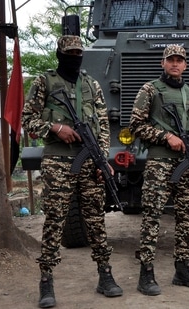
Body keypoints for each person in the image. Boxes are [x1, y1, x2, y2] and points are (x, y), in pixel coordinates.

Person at [22, 35, 122, 308]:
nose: (74, 56)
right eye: (69, 52)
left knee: (96, 221)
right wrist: (56, 128)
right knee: (55, 221)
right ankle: (46, 281)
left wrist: (103, 161)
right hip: (57, 162)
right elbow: (27, 119)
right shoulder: (44, 82)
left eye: (78, 52)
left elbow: (102, 126)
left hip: (90, 161)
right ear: (60, 54)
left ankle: (105, 275)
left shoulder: (91, 85)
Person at [129, 45, 189, 296]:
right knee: (152, 216)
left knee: (187, 217)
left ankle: (182, 270)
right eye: (170, 60)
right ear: (163, 63)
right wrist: (165, 137)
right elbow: (135, 125)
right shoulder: (150, 90)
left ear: (185, 65)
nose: (175, 64)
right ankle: (146, 274)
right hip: (159, 162)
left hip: (187, 163)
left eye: (179, 60)